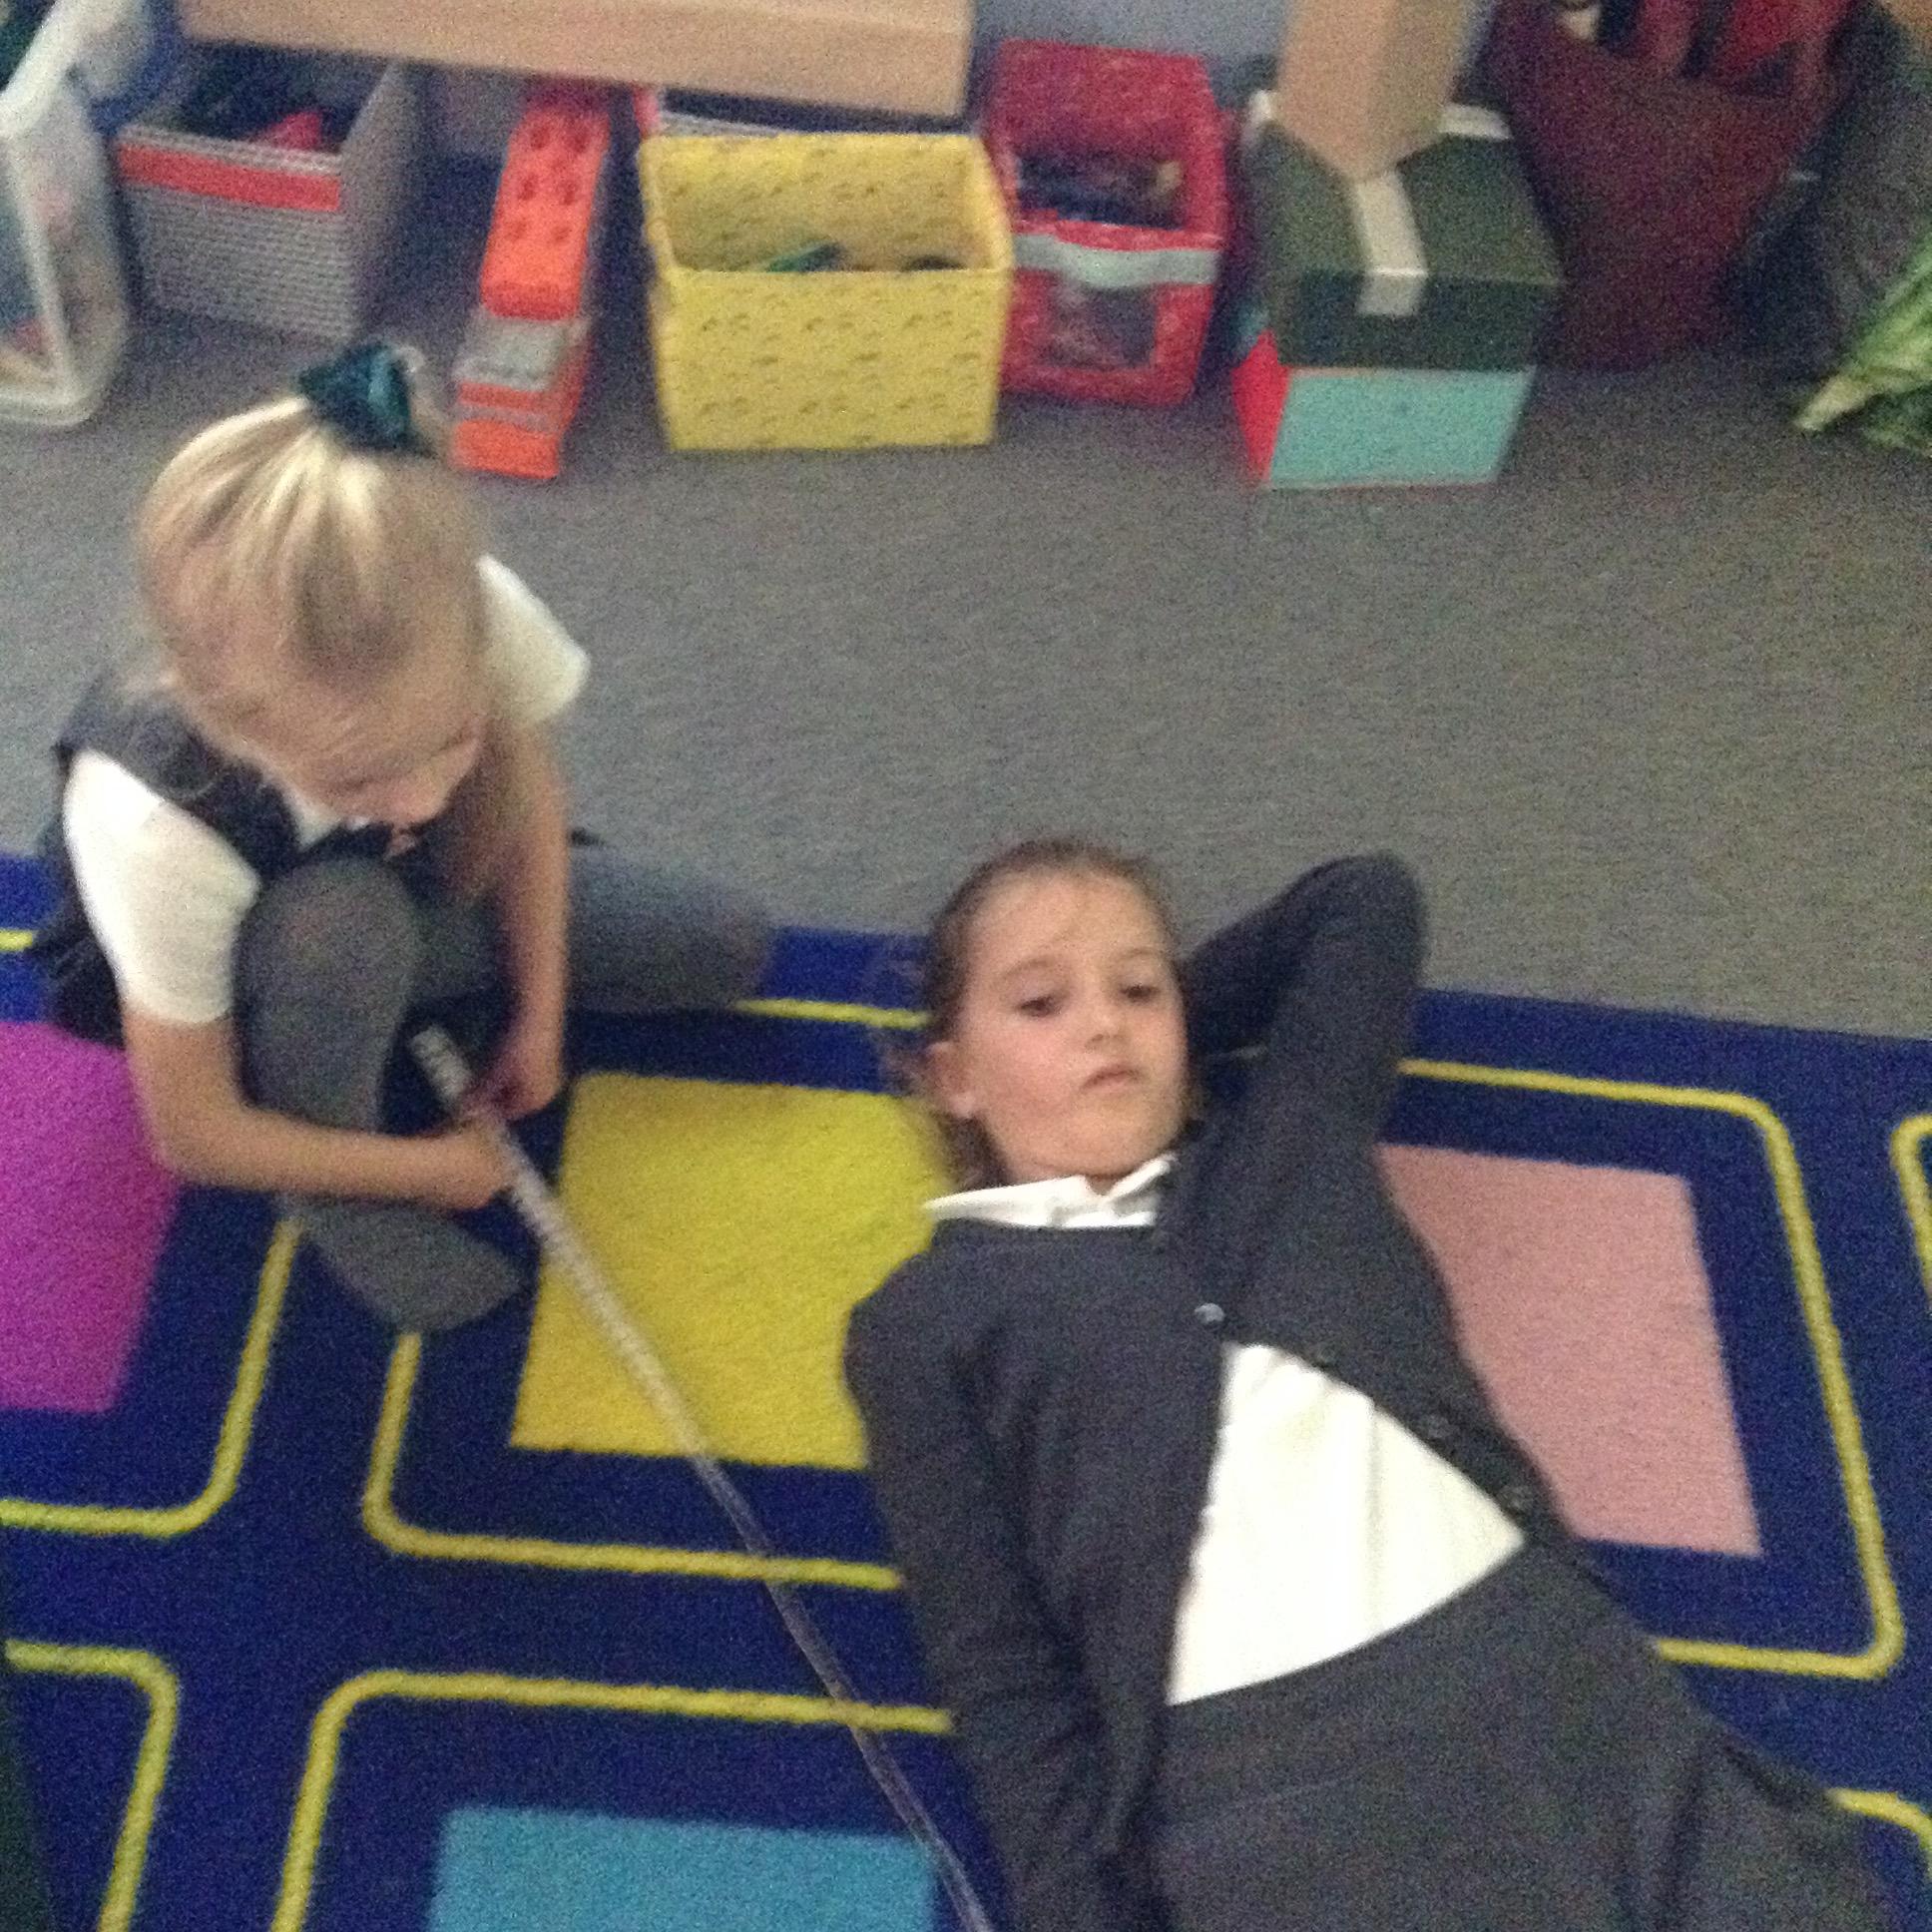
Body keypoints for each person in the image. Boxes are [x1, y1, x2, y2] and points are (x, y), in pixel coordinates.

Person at [843, 840, 1892, 1932]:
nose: (1105, 1024)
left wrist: (1158, 1023)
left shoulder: (1287, 1147)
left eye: (1139, 990)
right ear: (953, 1077)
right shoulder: (926, 1323)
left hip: (1555, 1678)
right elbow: (1005, 1677)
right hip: (1285, 1791)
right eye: (1041, 1003)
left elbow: (1362, 905)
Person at [27, 341, 769, 1331]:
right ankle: (330, 1158)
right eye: (357, 777)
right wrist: (425, 1170)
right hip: (275, 968)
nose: (421, 800)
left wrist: (540, 1014)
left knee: (723, 943)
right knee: (346, 921)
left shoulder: (468, 610)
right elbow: (191, 1131)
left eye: (449, 741)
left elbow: (525, 802)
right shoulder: (155, 824)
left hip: (415, 901)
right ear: (230, 727)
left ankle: (423, 1010)